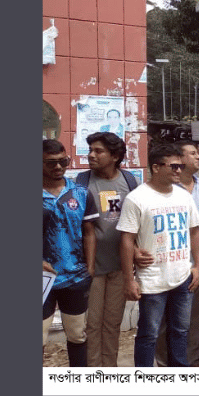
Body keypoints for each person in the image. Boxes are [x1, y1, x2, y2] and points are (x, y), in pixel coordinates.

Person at [118, 143, 199, 367]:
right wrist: (129, 279)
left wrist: (198, 266)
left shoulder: (183, 196)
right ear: (156, 168)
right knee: (149, 335)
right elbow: (127, 240)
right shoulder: (137, 198)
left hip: (182, 277)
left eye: (180, 166)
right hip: (152, 281)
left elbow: (195, 230)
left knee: (181, 331)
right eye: (173, 166)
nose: (178, 170)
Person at [76, 132, 143, 367]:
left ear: (115, 156)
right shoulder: (81, 183)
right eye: (90, 150)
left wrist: (136, 250)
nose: (91, 155)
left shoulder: (131, 182)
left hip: (120, 266)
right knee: (92, 324)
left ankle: (110, 370)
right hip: (91, 267)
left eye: (98, 151)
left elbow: (139, 222)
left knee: (113, 323)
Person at [43, 139, 99, 367]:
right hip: (43, 279)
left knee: (77, 335)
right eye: (50, 163)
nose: (58, 167)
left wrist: (90, 267)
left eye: (63, 161)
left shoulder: (81, 193)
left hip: (75, 276)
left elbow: (89, 232)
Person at [155, 140, 199, 367]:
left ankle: (192, 360)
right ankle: (166, 362)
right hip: (170, 263)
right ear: (178, 159)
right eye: (192, 153)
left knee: (196, 318)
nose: (198, 157)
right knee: (168, 317)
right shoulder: (166, 189)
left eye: (198, 153)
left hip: (197, 263)